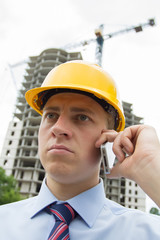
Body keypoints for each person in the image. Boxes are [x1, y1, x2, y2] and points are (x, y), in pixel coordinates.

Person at [0, 60, 160, 239]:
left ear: (108, 138)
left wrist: (151, 167)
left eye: (82, 117)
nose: (58, 128)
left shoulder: (148, 232)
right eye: (51, 115)